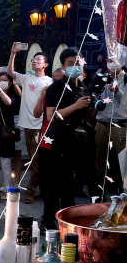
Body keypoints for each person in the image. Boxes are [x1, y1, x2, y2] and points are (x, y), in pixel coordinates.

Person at [43, 47, 93, 230]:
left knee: (74, 185)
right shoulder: (56, 88)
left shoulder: (83, 88)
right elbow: (51, 116)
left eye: (78, 63)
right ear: (63, 67)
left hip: (81, 139)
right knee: (57, 182)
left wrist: (92, 108)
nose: (75, 66)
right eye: (71, 63)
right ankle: (47, 221)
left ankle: (67, 221)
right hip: (62, 139)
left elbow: (87, 117)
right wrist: (75, 106)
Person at [7, 43, 53, 203]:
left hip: (40, 126)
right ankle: (42, 189)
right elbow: (10, 72)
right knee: (34, 160)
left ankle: (31, 191)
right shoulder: (27, 78)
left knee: (36, 160)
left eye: (38, 59)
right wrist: (13, 53)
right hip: (26, 125)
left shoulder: (50, 82)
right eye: (33, 59)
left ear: (45, 64)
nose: (34, 61)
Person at [34, 68, 65, 208]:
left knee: (58, 176)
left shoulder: (69, 95)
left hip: (62, 139)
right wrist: (41, 97)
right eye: (54, 80)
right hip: (46, 139)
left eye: (59, 80)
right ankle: (48, 206)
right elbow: (36, 114)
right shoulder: (50, 93)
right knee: (44, 175)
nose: (56, 83)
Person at [94, 60, 126, 196]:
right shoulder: (102, 77)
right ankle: (100, 197)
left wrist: (118, 92)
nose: (110, 63)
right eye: (108, 60)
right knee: (100, 164)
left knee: (122, 165)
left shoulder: (125, 79)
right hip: (102, 125)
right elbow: (93, 96)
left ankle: (122, 197)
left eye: (113, 60)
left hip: (119, 126)